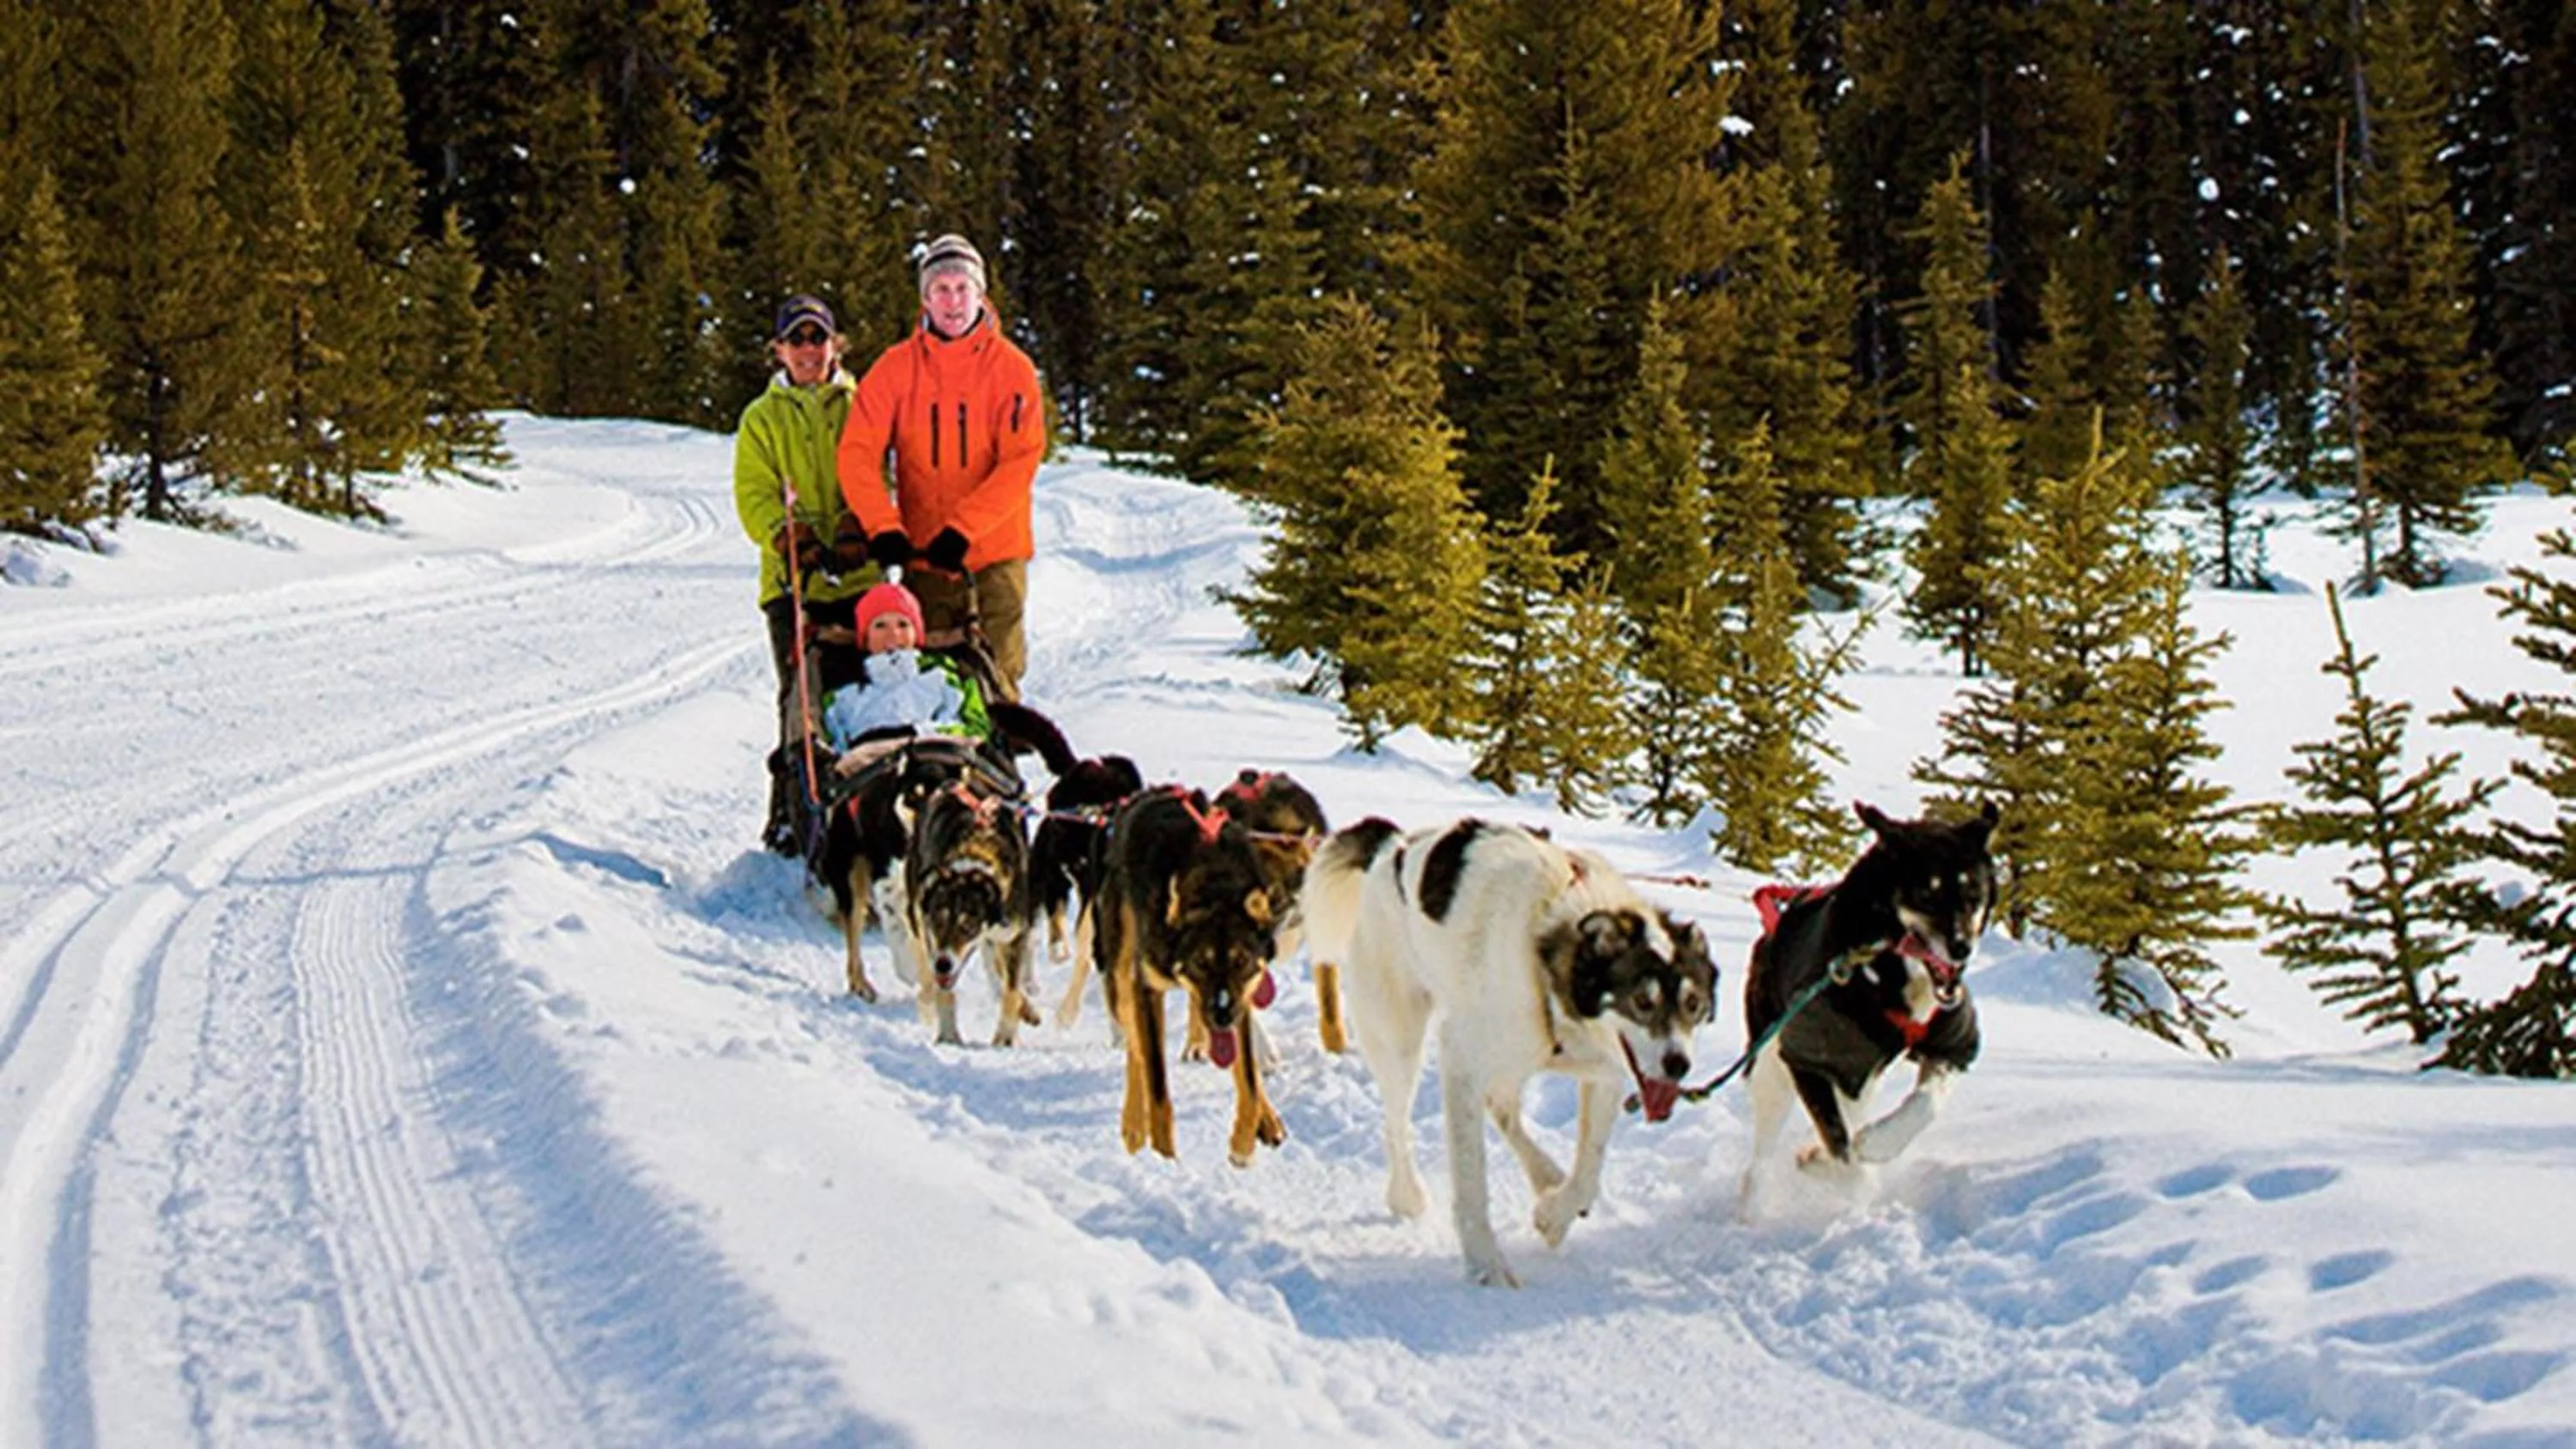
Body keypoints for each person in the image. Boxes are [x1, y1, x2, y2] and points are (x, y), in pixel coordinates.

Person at [835, 233, 1045, 702]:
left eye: (962, 288)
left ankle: (998, 769)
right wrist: (882, 525)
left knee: (998, 672)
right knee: (927, 676)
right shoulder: (895, 370)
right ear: (925, 298)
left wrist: (965, 530)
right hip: (924, 551)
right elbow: (857, 454)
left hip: (995, 552)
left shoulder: (1013, 370)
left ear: (980, 294)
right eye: (941, 289)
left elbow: (1020, 461)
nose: (952, 301)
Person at [736, 293, 878, 855]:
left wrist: (857, 523)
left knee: (862, 688)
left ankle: (864, 805)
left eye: (817, 338)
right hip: (792, 581)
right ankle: (792, 815)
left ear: (834, 344)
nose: (808, 350)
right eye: (796, 340)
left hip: (858, 573)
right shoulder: (761, 418)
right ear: (778, 350)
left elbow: (878, 468)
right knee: (800, 695)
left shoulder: (860, 404)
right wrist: (786, 533)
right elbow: (753, 493)